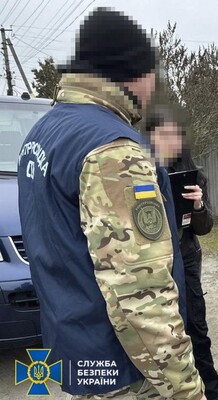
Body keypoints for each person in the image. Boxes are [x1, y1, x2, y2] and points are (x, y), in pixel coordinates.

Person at [17, 8, 205, 400]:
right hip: (124, 370)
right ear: (135, 72)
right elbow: (140, 295)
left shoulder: (43, 132)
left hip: (76, 350)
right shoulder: (114, 150)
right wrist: (186, 389)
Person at [146, 109, 218, 400]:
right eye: (163, 135)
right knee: (162, 329)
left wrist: (198, 206)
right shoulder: (139, 173)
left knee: (196, 326)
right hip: (154, 263)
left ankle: (212, 389)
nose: (170, 141)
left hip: (186, 258)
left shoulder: (192, 174)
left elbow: (203, 228)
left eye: (176, 135)